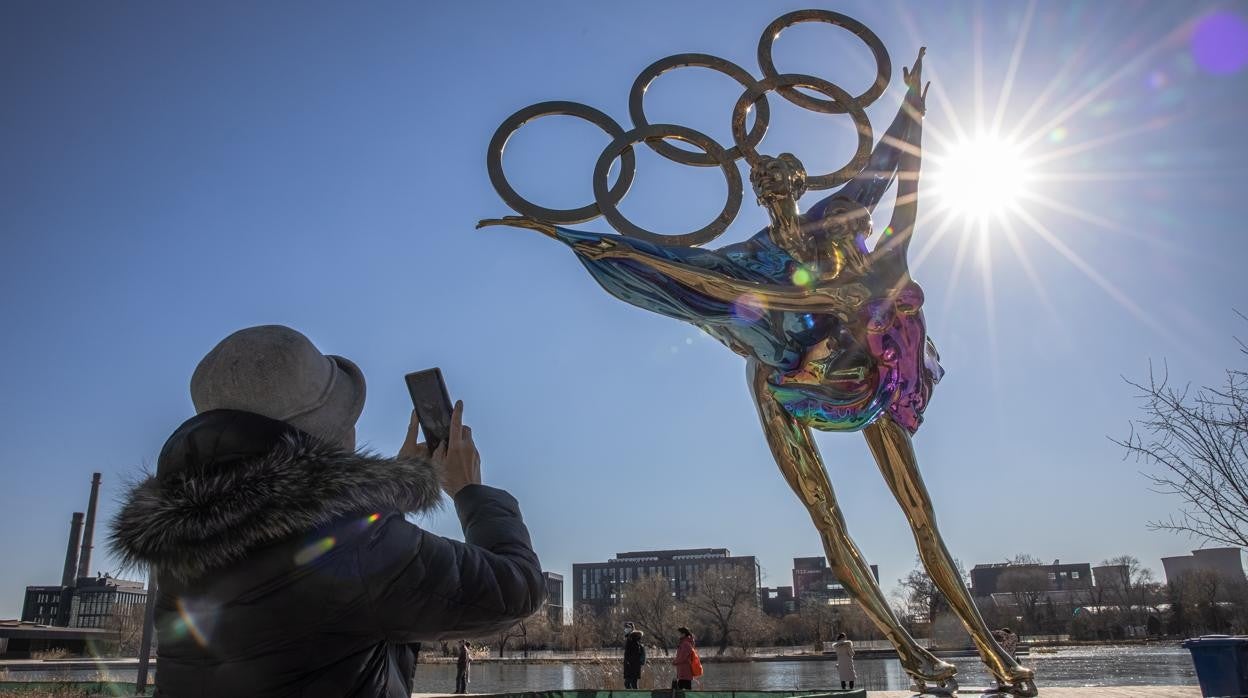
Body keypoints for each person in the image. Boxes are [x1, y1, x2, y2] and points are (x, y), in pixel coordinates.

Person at [479, 48, 1035, 698]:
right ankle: (912, 655)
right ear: (761, 197)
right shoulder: (751, 256)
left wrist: (913, 107)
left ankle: (994, 656)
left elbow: (888, 173)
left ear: (797, 187)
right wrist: (594, 242)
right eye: (765, 189)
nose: (775, 196)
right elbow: (685, 270)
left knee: (921, 513)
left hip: (863, 374)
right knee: (829, 520)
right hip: (790, 390)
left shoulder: (837, 218)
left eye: (782, 184)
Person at [109, 325, 546, 697]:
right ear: (322, 436)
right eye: (346, 416)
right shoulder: (354, 549)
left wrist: (389, 496)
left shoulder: (185, 546)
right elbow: (516, 588)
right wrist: (470, 490)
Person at [671, 627, 696, 691]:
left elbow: (683, 657)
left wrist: (675, 662)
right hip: (684, 670)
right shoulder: (685, 642)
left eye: (679, 633)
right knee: (685, 688)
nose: (678, 635)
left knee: (682, 688)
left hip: (684, 670)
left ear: (684, 634)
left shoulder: (685, 644)